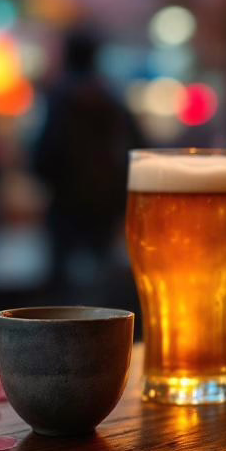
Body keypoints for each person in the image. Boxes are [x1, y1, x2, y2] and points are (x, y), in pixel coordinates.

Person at [33, 28, 141, 293]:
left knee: (61, 280)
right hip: (106, 202)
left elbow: (45, 151)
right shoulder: (112, 98)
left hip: (66, 202)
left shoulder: (60, 98)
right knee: (102, 273)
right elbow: (139, 147)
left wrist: (50, 181)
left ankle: (63, 318)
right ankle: (102, 316)